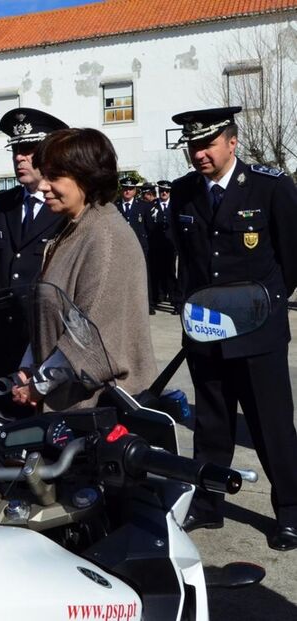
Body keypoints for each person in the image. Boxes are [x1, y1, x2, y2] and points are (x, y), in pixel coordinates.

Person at [168, 106, 297, 551]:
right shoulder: (183, 193)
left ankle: (290, 512)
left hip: (258, 331)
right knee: (212, 422)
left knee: (272, 424)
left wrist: (259, 308)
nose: (199, 153)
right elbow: (185, 263)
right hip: (205, 329)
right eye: (192, 145)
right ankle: (208, 504)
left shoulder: (270, 186)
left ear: (231, 142)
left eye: (207, 144)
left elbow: (290, 258)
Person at [12, 128, 156, 411]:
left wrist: (38, 385)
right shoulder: (71, 228)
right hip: (65, 403)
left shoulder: (105, 238)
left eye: (54, 177)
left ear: (86, 178)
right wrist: (28, 366)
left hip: (99, 411)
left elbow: (91, 338)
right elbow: (51, 313)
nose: (43, 186)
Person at [0, 107, 68, 417]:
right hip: (1, 342)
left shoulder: (66, 208)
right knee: (3, 432)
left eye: (29, 150)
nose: (20, 158)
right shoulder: (4, 204)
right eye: (16, 150)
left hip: (44, 345)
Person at [117, 177, 156, 313]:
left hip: (140, 246)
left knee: (144, 276)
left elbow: (150, 228)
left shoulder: (143, 206)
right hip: (120, 247)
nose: (127, 191)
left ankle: (148, 304)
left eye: (130, 189)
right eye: (125, 188)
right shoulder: (114, 206)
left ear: (135, 190)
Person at [150, 180, 178, 313]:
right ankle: (158, 296)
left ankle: (172, 296)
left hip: (171, 244)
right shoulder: (152, 205)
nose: (164, 193)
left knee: (170, 271)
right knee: (157, 271)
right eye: (162, 191)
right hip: (156, 244)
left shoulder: (175, 205)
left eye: (167, 191)